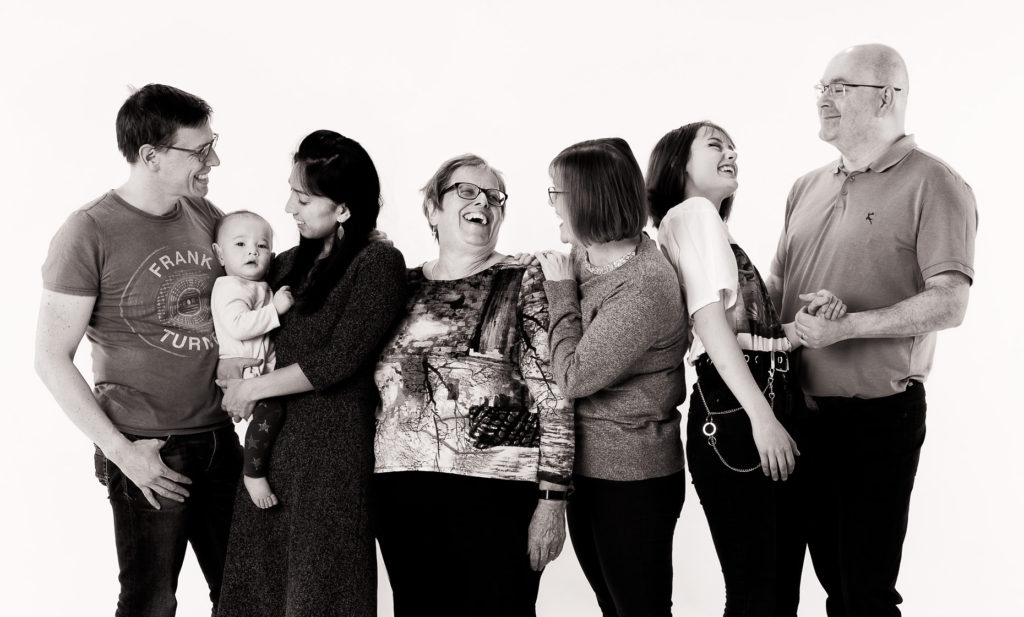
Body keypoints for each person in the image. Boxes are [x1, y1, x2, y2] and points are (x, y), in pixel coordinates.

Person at [767, 44, 978, 617]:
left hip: (875, 421)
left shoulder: (936, 184)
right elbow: (777, 290)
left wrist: (851, 327)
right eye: (821, 86)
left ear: (885, 96)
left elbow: (950, 303)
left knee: (862, 594)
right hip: (794, 413)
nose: (823, 97)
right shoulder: (805, 186)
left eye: (839, 86)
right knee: (806, 579)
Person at [36, 84, 240, 617]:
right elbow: (51, 357)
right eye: (200, 151)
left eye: (212, 144)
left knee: (246, 593)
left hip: (220, 439)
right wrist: (123, 454)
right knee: (151, 602)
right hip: (149, 450)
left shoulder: (203, 212)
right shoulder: (88, 230)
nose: (212, 159)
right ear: (151, 156)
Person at [647, 121, 845, 617]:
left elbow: (741, 333)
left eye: (733, 146)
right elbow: (709, 326)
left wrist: (797, 329)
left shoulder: (699, 223)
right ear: (679, 164)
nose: (731, 153)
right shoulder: (693, 215)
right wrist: (762, 418)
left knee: (770, 590)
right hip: (740, 412)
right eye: (715, 145)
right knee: (760, 592)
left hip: (750, 401)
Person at [215, 130, 407, 617]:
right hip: (268, 451)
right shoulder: (283, 264)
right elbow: (240, 318)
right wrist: (230, 363)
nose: (288, 208)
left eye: (302, 198)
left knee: (322, 595)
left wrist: (251, 388)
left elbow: (339, 360)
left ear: (343, 209)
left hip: (331, 458)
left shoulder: (378, 263)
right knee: (255, 592)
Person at [372, 154, 574, 617]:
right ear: (431, 209)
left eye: (494, 197)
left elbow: (556, 394)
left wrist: (552, 498)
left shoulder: (524, 278)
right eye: (466, 191)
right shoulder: (397, 286)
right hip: (401, 490)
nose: (483, 202)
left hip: (497, 491)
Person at [536, 137, 687, 617]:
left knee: (638, 609)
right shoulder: (590, 253)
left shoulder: (644, 286)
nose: (552, 204)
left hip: (632, 476)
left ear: (588, 200)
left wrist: (560, 292)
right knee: (610, 604)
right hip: (589, 470)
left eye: (556, 192)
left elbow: (574, 375)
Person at [210, 211, 294, 509]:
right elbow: (238, 325)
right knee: (271, 413)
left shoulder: (257, 284)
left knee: (274, 413)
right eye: (241, 244)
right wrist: (277, 310)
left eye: (262, 245)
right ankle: (253, 473)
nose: (252, 251)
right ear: (220, 254)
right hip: (241, 369)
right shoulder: (229, 286)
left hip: (257, 370)